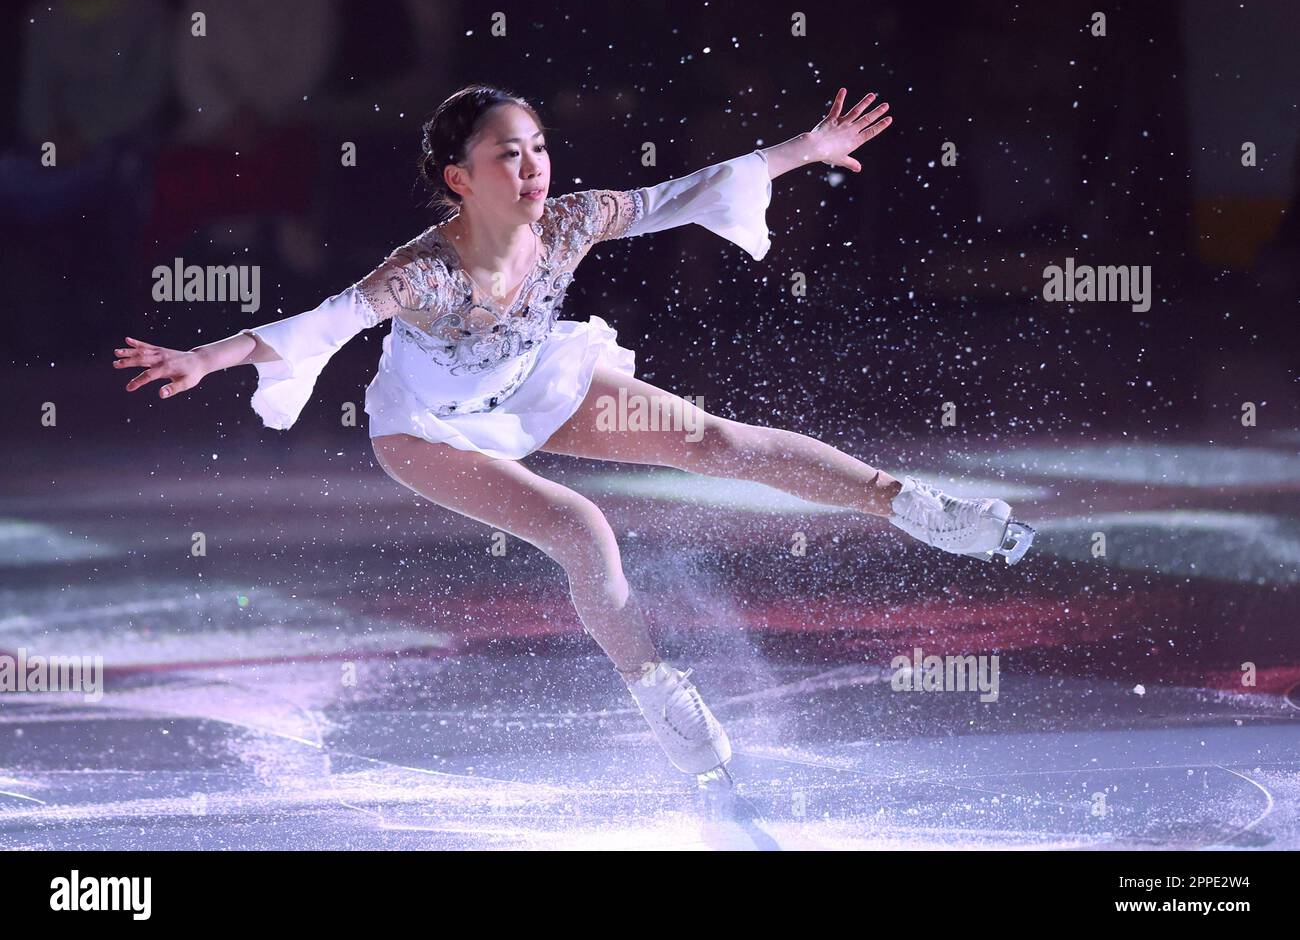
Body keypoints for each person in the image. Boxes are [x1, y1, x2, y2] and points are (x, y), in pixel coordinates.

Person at [115, 84, 1034, 782]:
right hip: (433, 431)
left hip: (533, 381)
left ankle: (907, 503)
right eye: (508, 155)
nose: (533, 168)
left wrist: (809, 146)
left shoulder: (570, 223)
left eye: (539, 149)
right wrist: (207, 357)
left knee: (715, 441)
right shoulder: (422, 274)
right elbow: (322, 324)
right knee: (581, 529)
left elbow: (688, 192)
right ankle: (654, 685)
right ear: (458, 179)